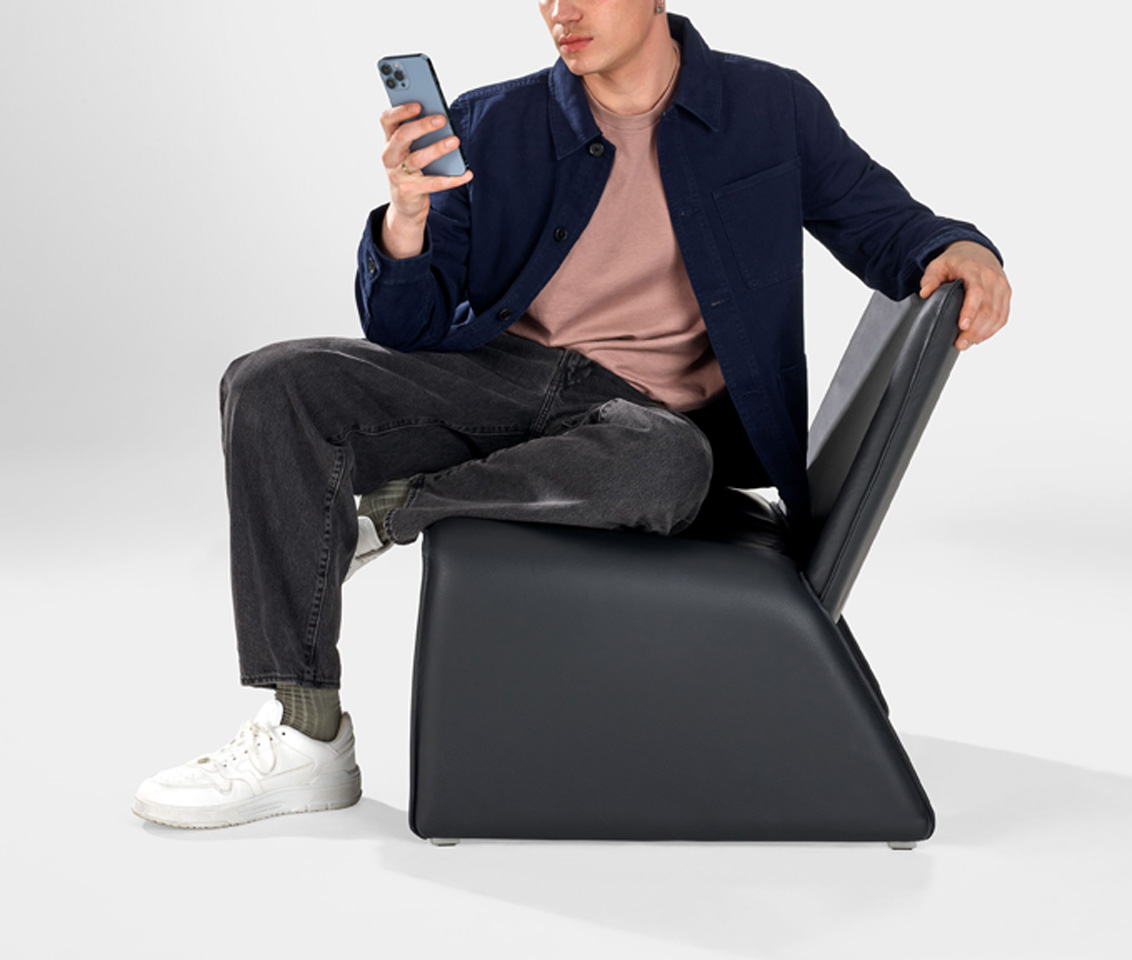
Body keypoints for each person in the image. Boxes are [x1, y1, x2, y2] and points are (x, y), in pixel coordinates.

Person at [133, 1, 1010, 830]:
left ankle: (392, 514)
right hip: (504, 382)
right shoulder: (491, 122)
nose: (562, 10)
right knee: (271, 382)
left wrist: (964, 248)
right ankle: (305, 731)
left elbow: (887, 227)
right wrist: (406, 217)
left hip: (650, 419)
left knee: (668, 465)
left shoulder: (769, 108)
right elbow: (405, 325)